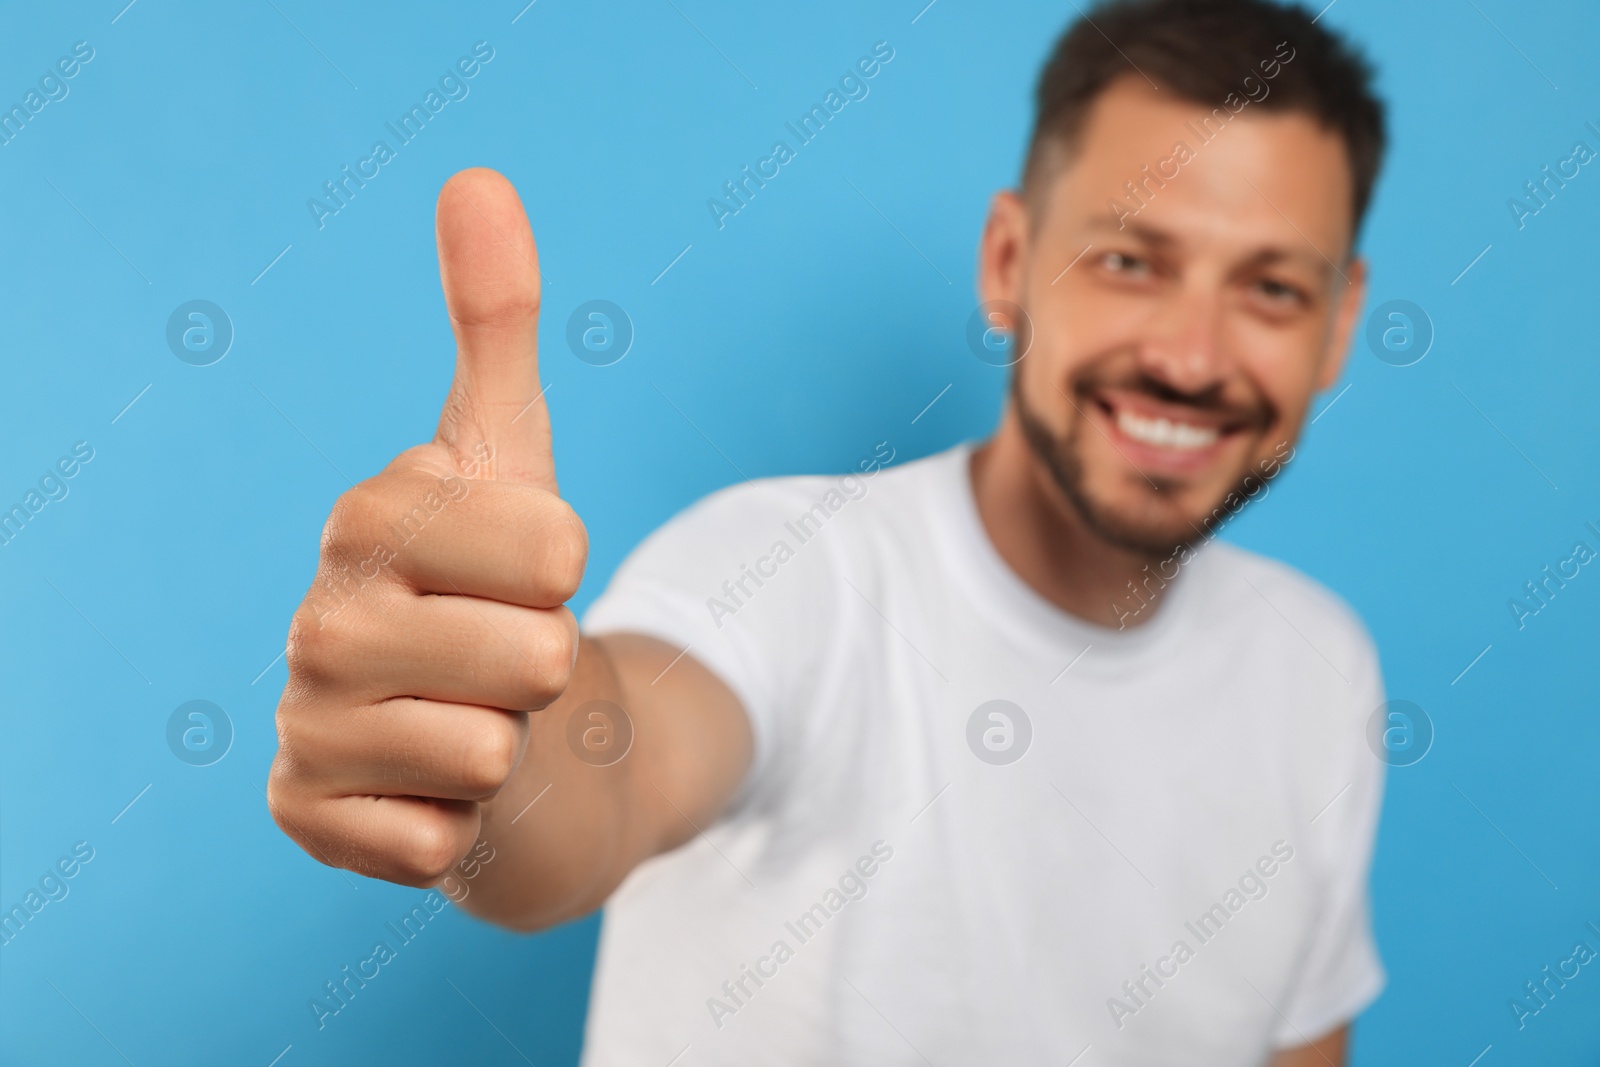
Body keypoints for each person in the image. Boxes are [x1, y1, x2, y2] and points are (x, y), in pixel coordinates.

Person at [267, 0, 1390, 1061]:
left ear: (1338, 325)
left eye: (1273, 289)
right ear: (1008, 265)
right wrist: (479, 728)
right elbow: (604, 782)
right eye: (1130, 260)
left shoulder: (1322, 667)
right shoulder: (786, 573)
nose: (1190, 356)